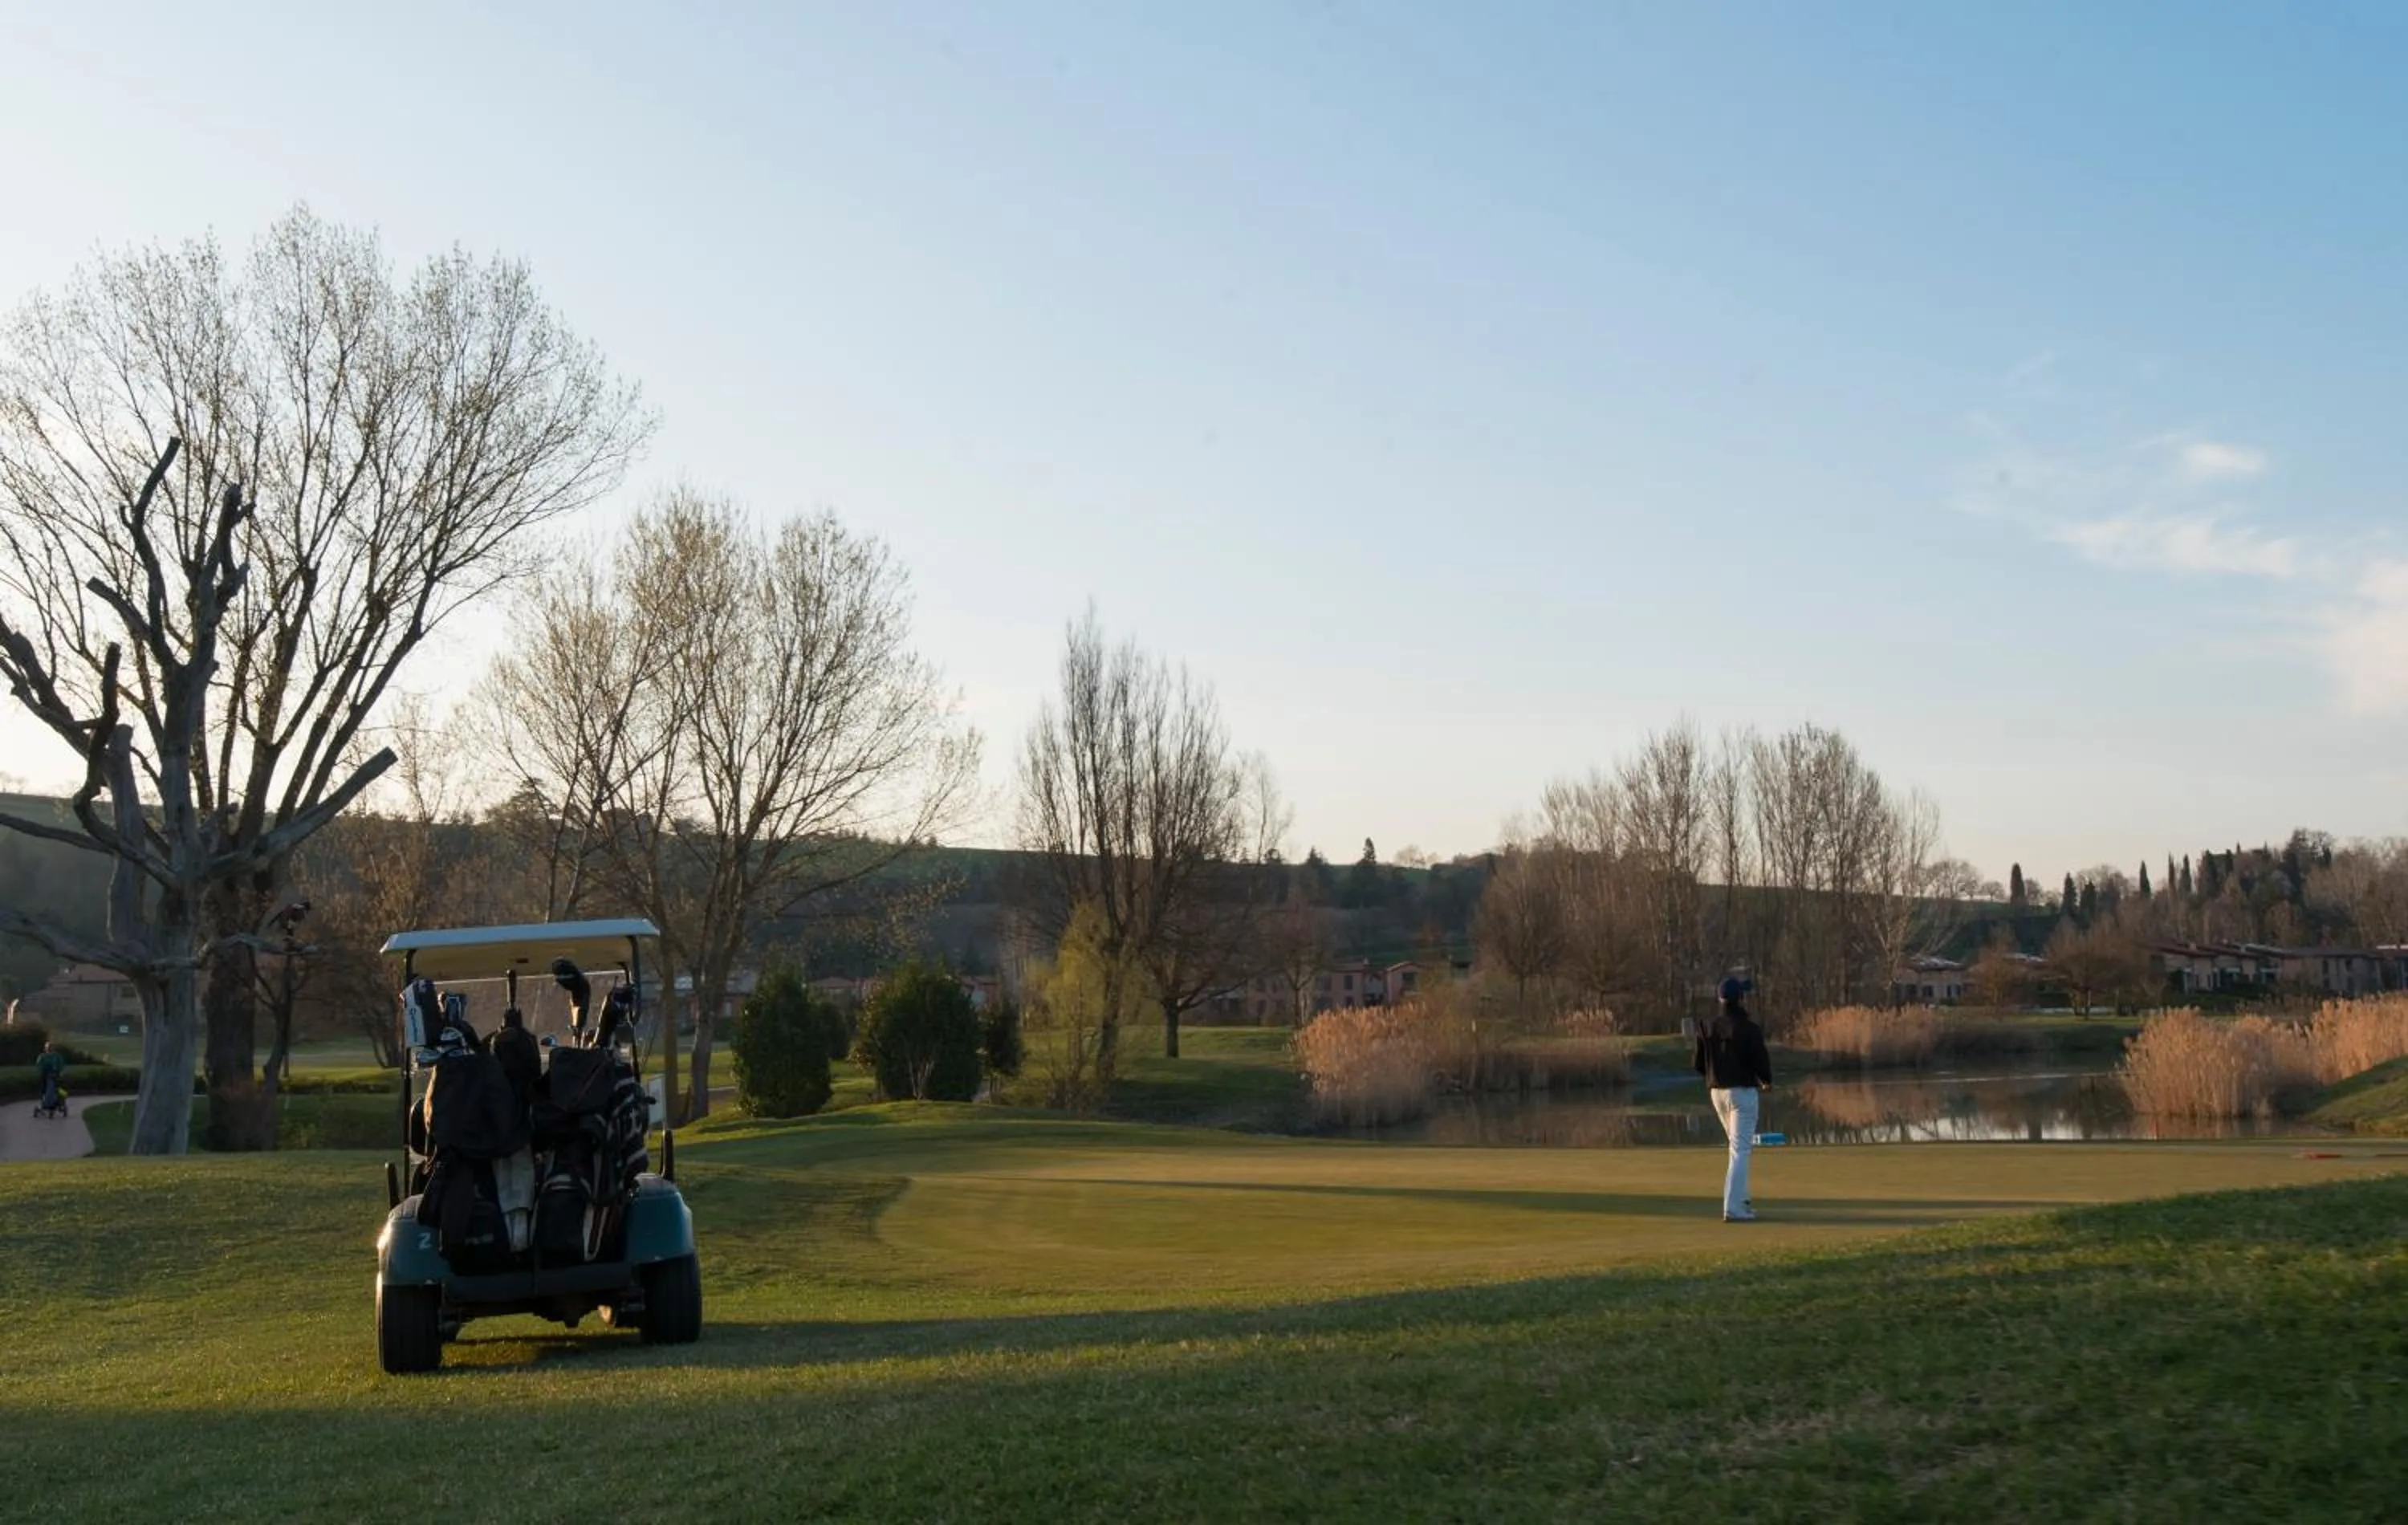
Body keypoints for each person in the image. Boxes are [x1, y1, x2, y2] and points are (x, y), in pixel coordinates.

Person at [1693, 975, 1773, 1222]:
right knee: (1740, 1150)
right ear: (1740, 998)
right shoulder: (1749, 1028)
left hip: (1716, 1093)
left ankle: (1742, 1201)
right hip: (1742, 1094)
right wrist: (1766, 1080)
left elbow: (1698, 1064)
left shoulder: (1707, 1025)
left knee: (1736, 1149)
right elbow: (1760, 1060)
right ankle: (1733, 1208)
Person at [35, 1039, 67, 1112]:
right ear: (46, 1048)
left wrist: (60, 1072)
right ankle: (46, 1102)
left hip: (55, 1075)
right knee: (45, 1089)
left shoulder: (57, 1056)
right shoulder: (42, 1056)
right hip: (45, 1075)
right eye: (48, 1047)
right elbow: (39, 1065)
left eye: (50, 1047)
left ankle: (54, 1102)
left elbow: (61, 1065)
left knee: (55, 1089)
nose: (49, 1049)